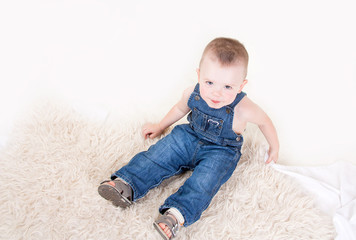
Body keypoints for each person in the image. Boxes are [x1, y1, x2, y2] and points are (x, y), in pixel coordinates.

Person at [98, 37, 279, 239]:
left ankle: (176, 214)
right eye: (209, 82)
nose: (216, 93)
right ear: (199, 75)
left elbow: (265, 122)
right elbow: (179, 109)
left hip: (221, 151)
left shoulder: (244, 108)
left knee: (205, 182)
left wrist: (274, 146)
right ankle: (127, 184)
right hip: (189, 136)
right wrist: (160, 126)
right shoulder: (192, 93)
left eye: (228, 87)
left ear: (241, 85)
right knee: (158, 154)